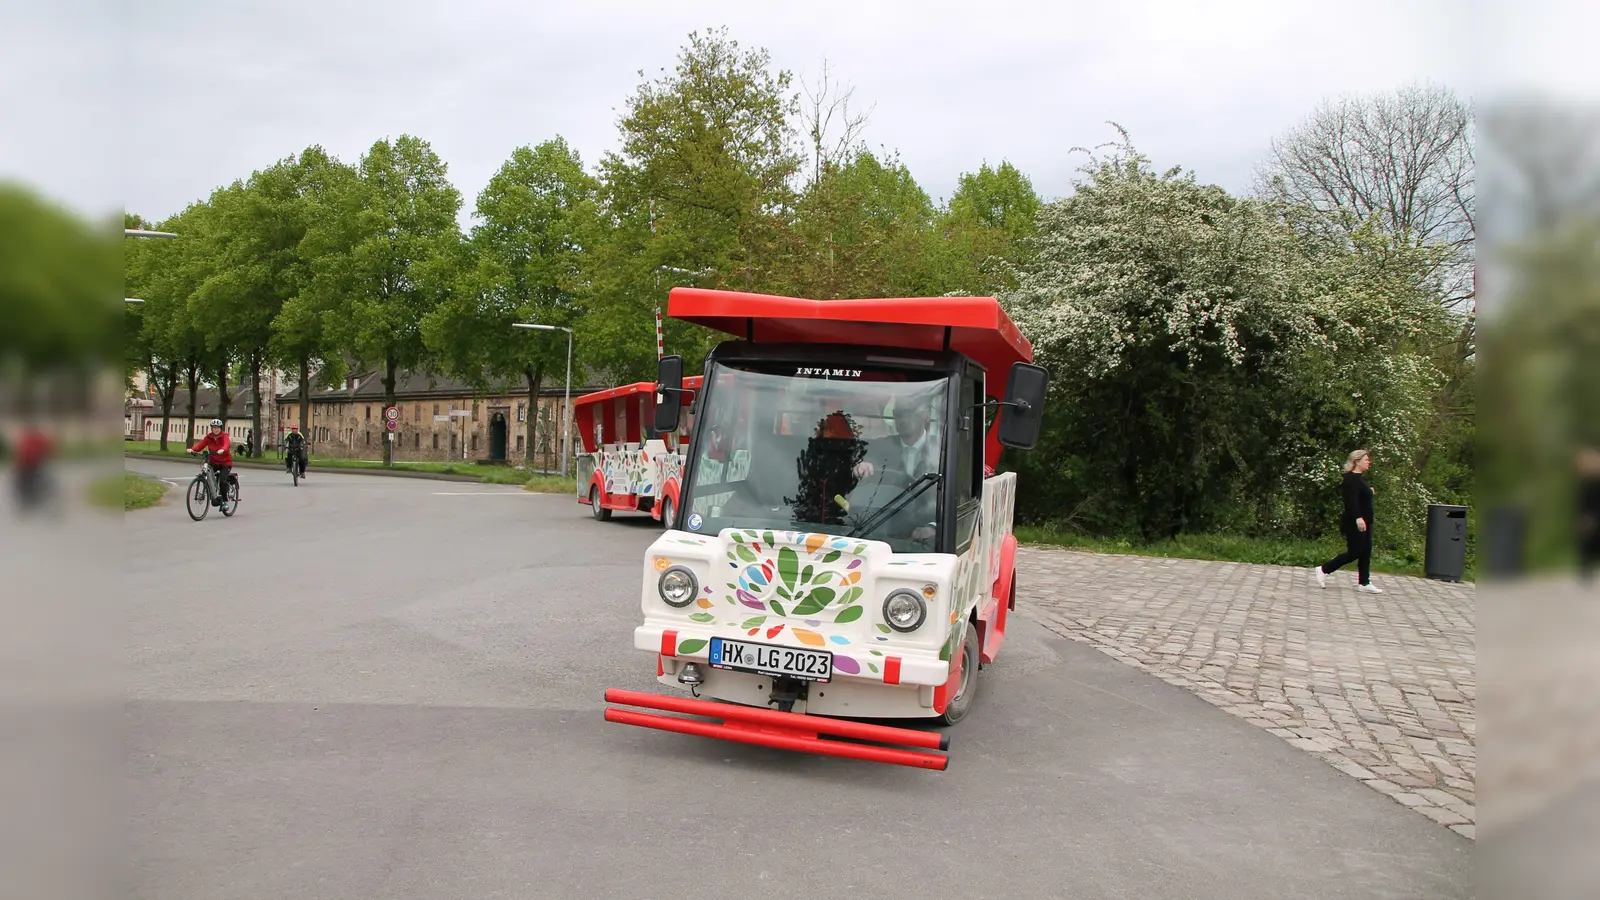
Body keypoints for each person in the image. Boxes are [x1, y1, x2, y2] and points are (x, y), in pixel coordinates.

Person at [852, 398, 940, 543]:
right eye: (898, 414)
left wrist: (933, 527)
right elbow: (863, 466)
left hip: (926, 538)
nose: (904, 419)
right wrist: (860, 467)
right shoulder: (879, 446)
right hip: (881, 531)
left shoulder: (942, 450)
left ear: (927, 414)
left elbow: (957, 498)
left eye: (910, 413)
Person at [1313, 449, 1381, 593]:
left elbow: (1361, 495)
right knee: (1355, 552)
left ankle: (1364, 582)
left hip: (1367, 520)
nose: (1369, 462)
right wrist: (1358, 518)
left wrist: (1370, 491)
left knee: (1366, 551)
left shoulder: (1360, 478)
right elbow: (1350, 502)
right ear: (1357, 461)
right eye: (1366, 460)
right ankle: (1324, 569)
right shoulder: (1350, 479)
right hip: (1355, 522)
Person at [188, 418, 237, 505]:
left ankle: (225, 500)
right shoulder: (209, 437)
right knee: (206, 474)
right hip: (213, 461)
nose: (216, 429)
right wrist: (192, 450)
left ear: (220, 428)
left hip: (225, 463)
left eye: (217, 427)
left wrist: (223, 449)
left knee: (222, 480)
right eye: (214, 427)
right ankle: (213, 495)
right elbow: (200, 445)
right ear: (211, 428)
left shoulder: (224, 436)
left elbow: (227, 444)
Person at [1578, 445, 1600, 586]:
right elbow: (1582, 502)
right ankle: (1586, 572)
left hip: (1594, 516)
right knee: (1587, 546)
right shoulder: (1585, 483)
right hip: (1589, 517)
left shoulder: (1595, 483)